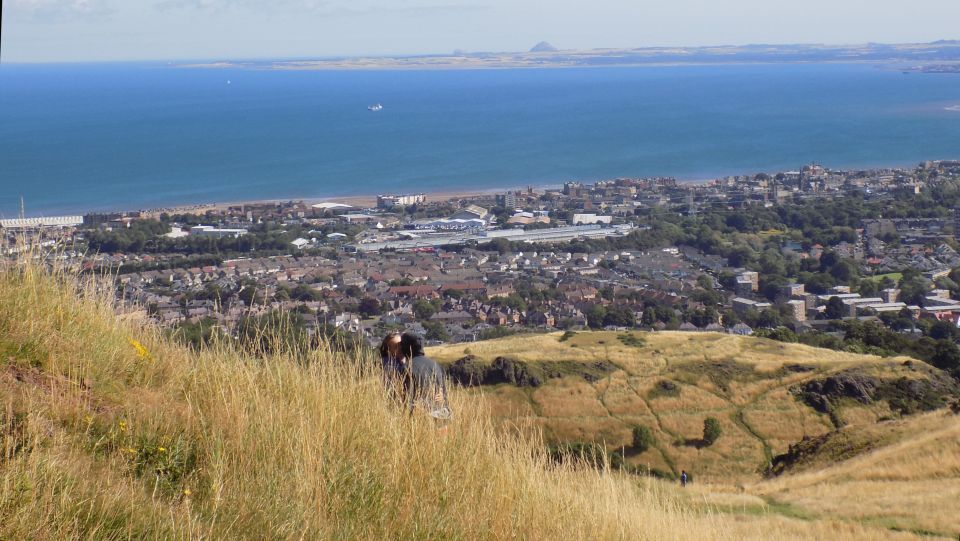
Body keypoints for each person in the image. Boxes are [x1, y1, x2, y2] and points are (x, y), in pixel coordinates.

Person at [398, 333, 452, 422]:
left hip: (421, 419)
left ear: (406, 347)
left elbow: (406, 399)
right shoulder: (436, 364)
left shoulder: (407, 368)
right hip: (443, 416)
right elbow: (444, 395)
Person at [379, 332, 405, 396]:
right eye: (396, 347)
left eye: (401, 344)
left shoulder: (408, 360)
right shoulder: (388, 364)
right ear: (389, 351)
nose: (400, 348)